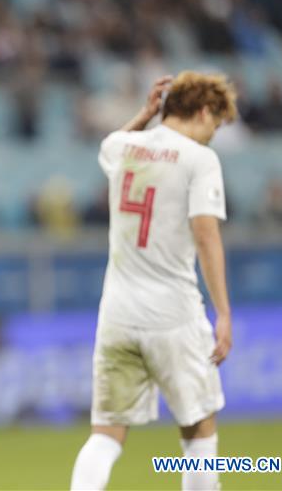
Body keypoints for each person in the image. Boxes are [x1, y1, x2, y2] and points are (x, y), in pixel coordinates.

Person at [70, 73, 238, 491]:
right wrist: (223, 311)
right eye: (215, 125)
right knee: (199, 431)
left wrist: (145, 115)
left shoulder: (124, 147)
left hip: (118, 315)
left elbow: (109, 145)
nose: (212, 135)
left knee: (105, 435)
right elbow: (206, 235)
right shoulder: (199, 159)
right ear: (204, 111)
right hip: (174, 315)